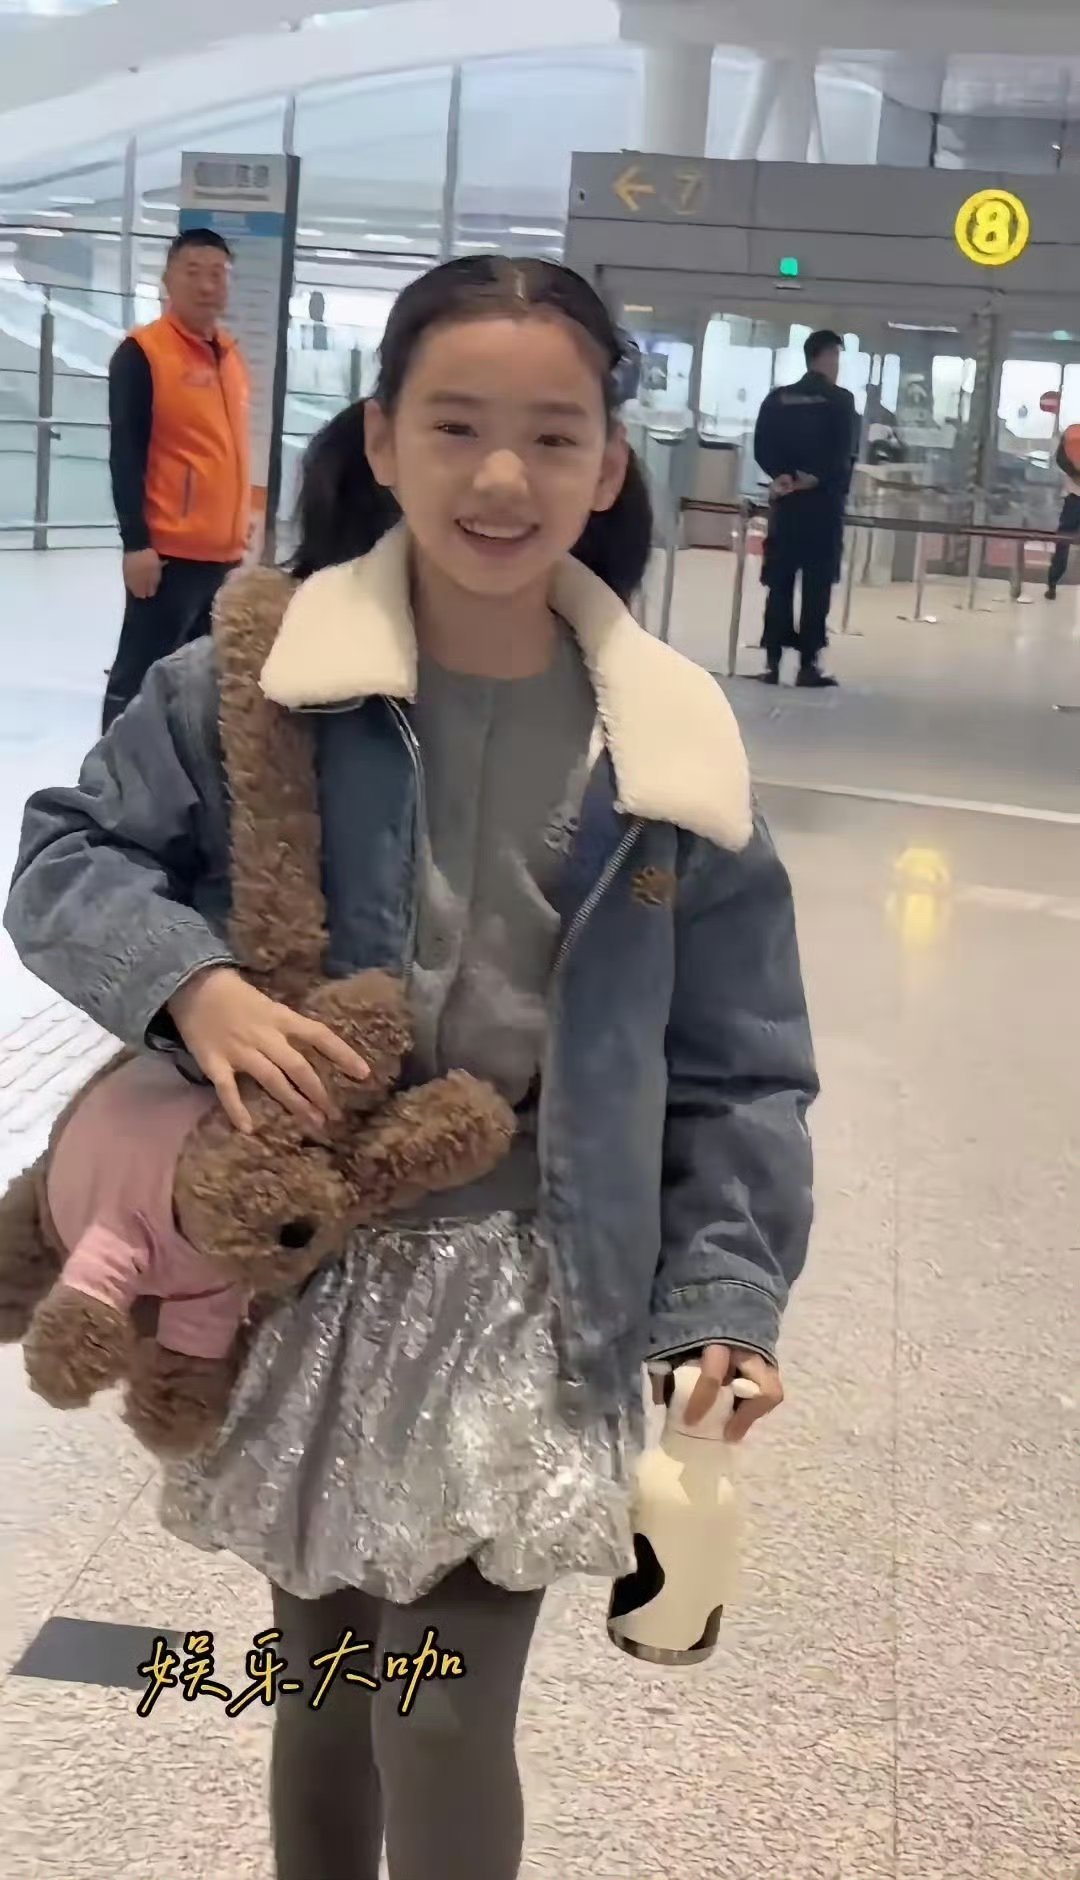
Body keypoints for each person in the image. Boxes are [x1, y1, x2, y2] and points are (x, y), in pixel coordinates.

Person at [5, 256, 817, 1880]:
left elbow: (741, 1063)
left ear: (609, 466)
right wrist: (193, 990)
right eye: (455, 425)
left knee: (438, 1707)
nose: (501, 475)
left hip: (533, 1278)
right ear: (380, 439)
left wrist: (724, 1298)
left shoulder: (664, 744)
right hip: (309, 1274)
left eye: (552, 434)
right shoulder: (257, 681)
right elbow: (66, 857)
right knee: (322, 1690)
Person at [102, 227, 251, 733]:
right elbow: (126, 454)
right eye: (193, 272)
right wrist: (136, 543)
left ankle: (178, 773)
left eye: (218, 274)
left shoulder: (229, 355)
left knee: (198, 682)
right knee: (140, 677)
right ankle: (111, 772)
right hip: (168, 555)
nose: (207, 285)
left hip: (222, 556)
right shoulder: (143, 353)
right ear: (167, 279)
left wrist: (241, 522)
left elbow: (225, 451)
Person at [753, 328, 859, 688]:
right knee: (817, 586)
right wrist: (814, 478)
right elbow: (844, 452)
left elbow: (762, 445)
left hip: (786, 506)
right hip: (823, 508)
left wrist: (782, 476)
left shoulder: (778, 399)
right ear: (825, 356)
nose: (837, 364)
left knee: (779, 582)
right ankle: (808, 664)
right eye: (836, 357)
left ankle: (772, 661)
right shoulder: (840, 401)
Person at [1045, 423, 1080, 599]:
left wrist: (1074, 473)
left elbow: (1060, 459)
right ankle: (1052, 582)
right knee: (1064, 539)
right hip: (1074, 496)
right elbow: (1061, 459)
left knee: (1064, 540)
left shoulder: (1073, 434)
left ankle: (1052, 583)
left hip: (1074, 496)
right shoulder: (1074, 435)